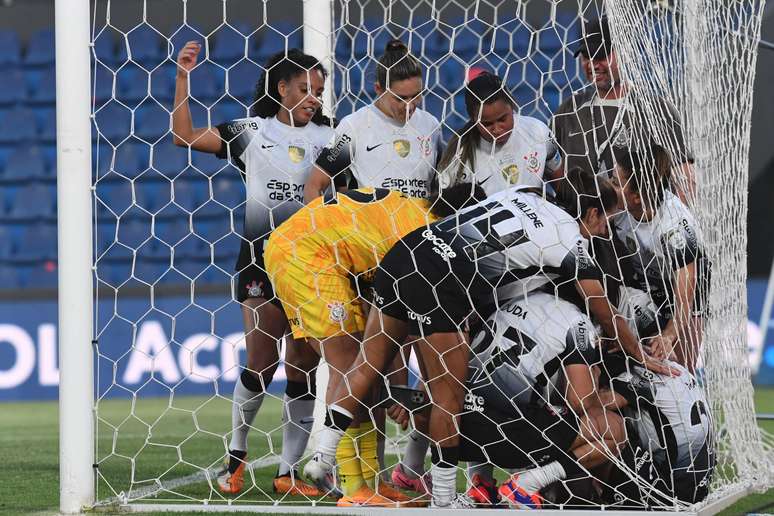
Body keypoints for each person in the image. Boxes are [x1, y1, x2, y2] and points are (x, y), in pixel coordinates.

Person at [304, 168, 678, 508]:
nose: (603, 233)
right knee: (447, 397)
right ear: (593, 213)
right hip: (442, 282)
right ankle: (446, 500)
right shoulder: (569, 241)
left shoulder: (523, 193)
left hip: (408, 250)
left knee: (368, 362)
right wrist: (638, 354)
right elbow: (601, 306)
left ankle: (322, 455)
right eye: (605, 223)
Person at [172, 42, 333, 496]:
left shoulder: (331, 137)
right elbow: (183, 137)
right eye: (305, 89)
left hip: (312, 265)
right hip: (261, 259)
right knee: (261, 361)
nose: (313, 99)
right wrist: (183, 77)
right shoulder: (252, 131)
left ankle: (286, 473)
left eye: (318, 91)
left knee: (303, 366)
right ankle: (235, 460)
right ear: (281, 88)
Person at [263, 184, 485, 506]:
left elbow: (390, 326)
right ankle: (353, 488)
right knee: (347, 363)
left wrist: (399, 389)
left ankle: (372, 483)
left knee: (364, 370)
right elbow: (421, 330)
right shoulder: (427, 239)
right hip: (306, 254)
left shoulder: (415, 218)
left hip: (325, 256)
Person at [459, 290, 626, 508]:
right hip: (506, 438)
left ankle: (480, 483)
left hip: (459, 433)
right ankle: (526, 485)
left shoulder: (514, 297)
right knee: (612, 429)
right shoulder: (577, 322)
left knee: (490, 391)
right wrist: (601, 385)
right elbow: (580, 402)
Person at [551, 16, 695, 202]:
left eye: (601, 55)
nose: (593, 65)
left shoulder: (657, 110)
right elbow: (550, 167)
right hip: (580, 228)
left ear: (624, 53)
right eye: (587, 56)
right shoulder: (569, 110)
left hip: (641, 227)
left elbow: (685, 180)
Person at [610, 144, 709, 372]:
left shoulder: (674, 226)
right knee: (640, 362)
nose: (608, 186)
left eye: (616, 182)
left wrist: (670, 334)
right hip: (643, 283)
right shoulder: (616, 210)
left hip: (687, 291)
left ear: (635, 197)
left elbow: (686, 287)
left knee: (681, 370)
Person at [304, 39, 442, 201]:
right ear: (379, 89)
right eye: (400, 98)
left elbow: (438, 188)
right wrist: (323, 224)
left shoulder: (430, 125)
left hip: (419, 223)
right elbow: (314, 185)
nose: (409, 106)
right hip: (372, 224)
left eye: (416, 96)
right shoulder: (354, 126)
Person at [437, 71, 563, 194]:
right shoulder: (458, 157)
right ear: (473, 119)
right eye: (487, 124)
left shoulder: (537, 131)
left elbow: (562, 186)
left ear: (512, 105)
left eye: (502, 119)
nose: (497, 130)